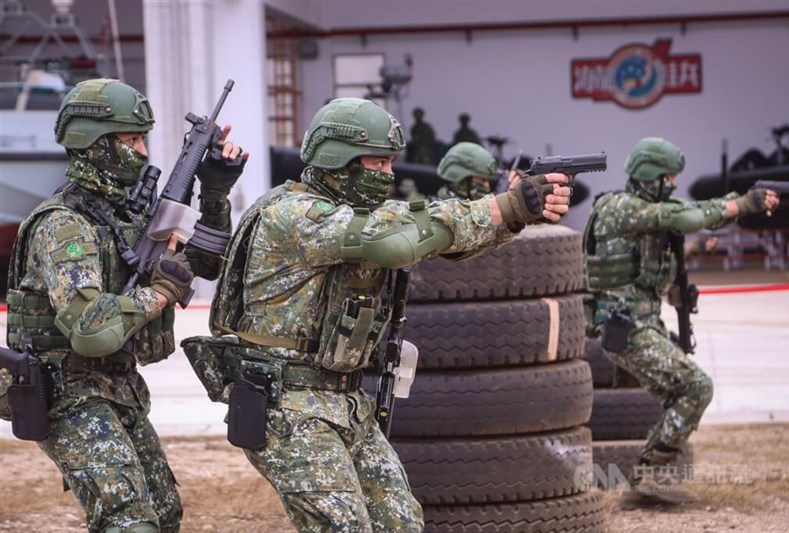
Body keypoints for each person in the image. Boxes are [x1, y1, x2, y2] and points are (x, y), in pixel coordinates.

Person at [199, 97, 571, 532]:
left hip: (345, 400)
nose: (388, 175)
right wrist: (503, 206)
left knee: (401, 524)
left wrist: (514, 215)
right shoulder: (294, 214)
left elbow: (431, 232)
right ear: (340, 161)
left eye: (390, 163)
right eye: (378, 164)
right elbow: (393, 241)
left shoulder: (352, 211)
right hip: (289, 405)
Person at [0, 78, 246, 532]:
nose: (143, 152)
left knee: (164, 513)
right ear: (95, 144)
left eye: (142, 138)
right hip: (67, 393)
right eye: (131, 139)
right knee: (129, 522)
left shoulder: (124, 219)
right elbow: (91, 332)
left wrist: (214, 196)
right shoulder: (64, 226)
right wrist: (158, 293)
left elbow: (206, 265)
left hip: (118, 387)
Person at [583, 137, 780, 508]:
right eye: (669, 177)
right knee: (696, 387)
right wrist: (742, 204)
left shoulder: (642, 213)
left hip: (640, 324)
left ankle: (648, 479)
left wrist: (690, 249)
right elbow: (682, 215)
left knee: (684, 391)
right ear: (650, 177)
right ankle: (647, 480)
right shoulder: (621, 208)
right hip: (625, 327)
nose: (673, 184)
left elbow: (672, 228)